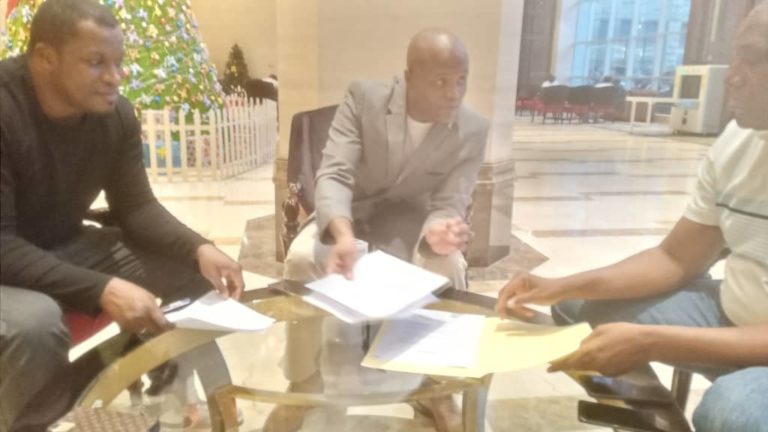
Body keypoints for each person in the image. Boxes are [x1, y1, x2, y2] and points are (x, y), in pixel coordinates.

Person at [495, 4, 768, 431]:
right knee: (578, 307)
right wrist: (560, 285)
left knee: (731, 409)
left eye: (752, 58)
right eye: (734, 56)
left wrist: (652, 340)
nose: (731, 75)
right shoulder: (738, 142)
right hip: (733, 314)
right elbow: (675, 259)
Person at [0, 0, 245, 430]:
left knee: (190, 271)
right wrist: (102, 288)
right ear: (45, 58)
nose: (116, 77)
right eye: (96, 63)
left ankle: (165, 395)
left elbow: (136, 207)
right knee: (35, 325)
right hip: (6, 261)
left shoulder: (115, 115)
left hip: (59, 244)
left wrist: (198, 248)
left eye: (118, 62)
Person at [265, 28, 489, 432]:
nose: (454, 93)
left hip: (412, 223)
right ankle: (303, 379)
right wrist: (342, 233)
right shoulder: (364, 99)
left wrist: (440, 230)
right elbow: (334, 174)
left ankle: (439, 388)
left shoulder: (472, 129)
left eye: (461, 80)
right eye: (441, 81)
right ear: (409, 77)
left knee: (448, 266)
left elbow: (450, 201)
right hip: (350, 214)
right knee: (300, 259)